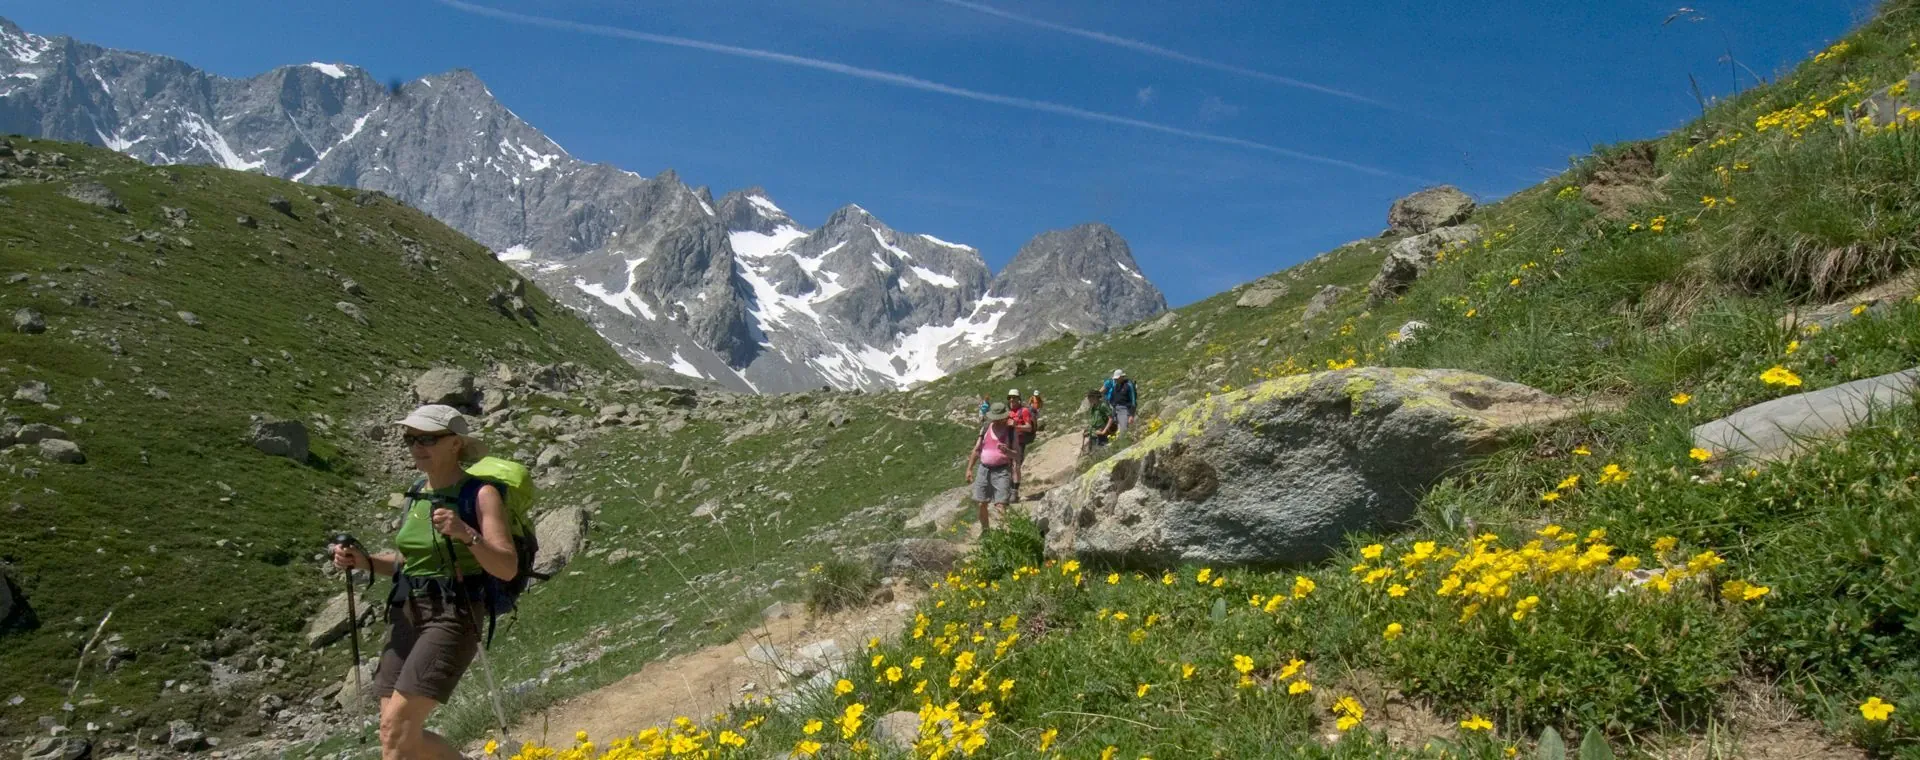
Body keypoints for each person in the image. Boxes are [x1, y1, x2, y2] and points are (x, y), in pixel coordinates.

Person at [331, 405, 519, 760]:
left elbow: (506, 567)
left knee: (396, 732)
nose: (417, 446)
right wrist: (365, 562)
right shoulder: (416, 492)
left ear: (456, 444)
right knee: (395, 735)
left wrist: (466, 533)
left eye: (428, 438)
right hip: (406, 612)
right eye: (411, 439)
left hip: (454, 614)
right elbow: (409, 563)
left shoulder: (480, 494)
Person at [965, 402, 1022, 531]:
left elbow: (1017, 455)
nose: (997, 421)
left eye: (999, 418)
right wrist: (969, 469)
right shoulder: (985, 428)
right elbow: (977, 449)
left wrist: (1008, 451)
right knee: (981, 503)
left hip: (1002, 470)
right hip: (984, 469)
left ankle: (1007, 533)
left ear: (1005, 417)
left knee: (1000, 505)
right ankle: (986, 531)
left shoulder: (1011, 431)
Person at [1006, 389, 1035, 499]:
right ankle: (1008, 490)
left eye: (1014, 397)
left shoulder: (1024, 411)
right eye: (1009, 398)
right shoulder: (1008, 413)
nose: (1011, 399)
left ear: (1019, 399)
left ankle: (1014, 492)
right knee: (1008, 466)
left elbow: (1029, 427)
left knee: (1016, 466)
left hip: (1019, 442)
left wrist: (1015, 426)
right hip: (1008, 442)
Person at [1103, 369, 1138, 438]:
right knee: (1119, 429)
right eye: (1115, 379)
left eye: (1117, 378)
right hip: (1116, 410)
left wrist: (1131, 415)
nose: (1116, 380)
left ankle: (1124, 442)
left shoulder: (1128, 385)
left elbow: (1133, 401)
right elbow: (1113, 398)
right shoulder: (1116, 386)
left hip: (1125, 409)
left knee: (1124, 429)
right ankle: (1120, 442)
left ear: (1122, 377)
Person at [1083, 389, 1116, 453]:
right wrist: (1088, 431)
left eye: (1089, 397)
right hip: (1094, 433)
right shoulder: (1093, 407)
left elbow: (1111, 418)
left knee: (1102, 451)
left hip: (1102, 433)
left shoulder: (1103, 405)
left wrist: (1104, 431)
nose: (1088, 399)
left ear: (1095, 397)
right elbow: (1094, 420)